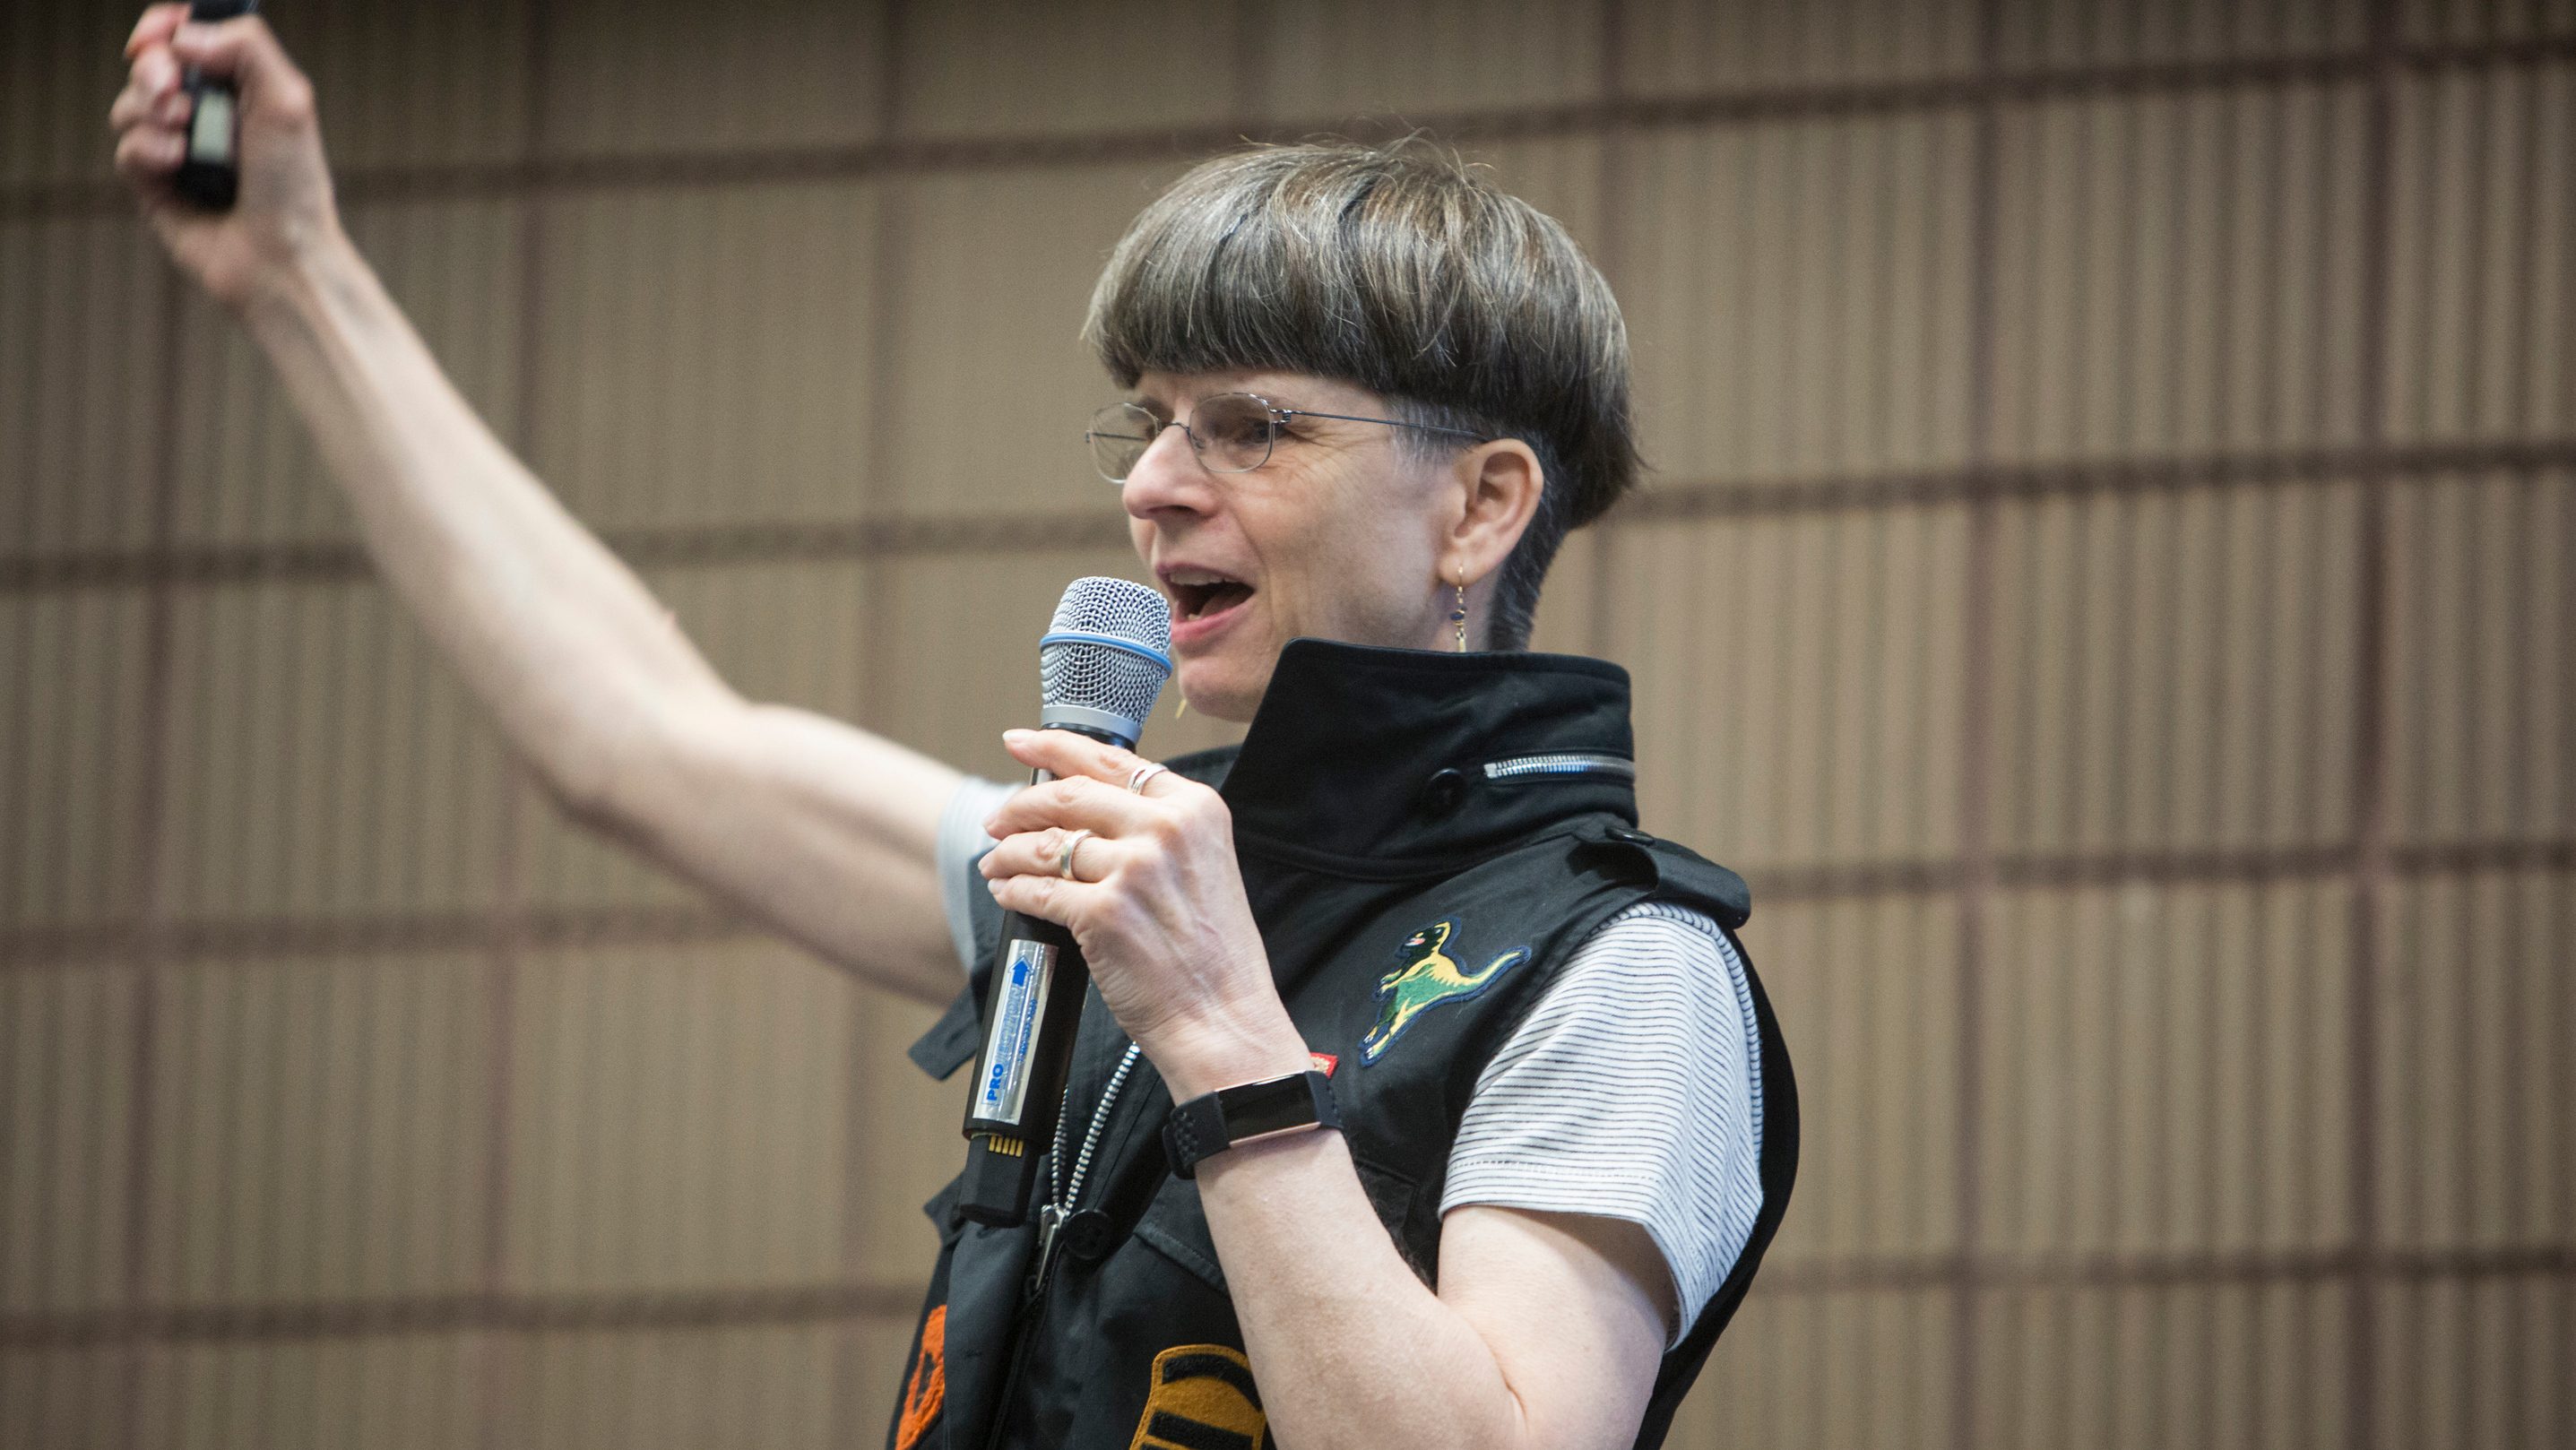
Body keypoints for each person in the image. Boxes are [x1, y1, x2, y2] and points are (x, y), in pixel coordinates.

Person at [109, 8, 1795, 1449]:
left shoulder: (1621, 969)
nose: (1148, 486)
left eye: (1251, 426)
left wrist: (1219, 1035)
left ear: (1480, 507)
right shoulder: (1115, 886)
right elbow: (634, 739)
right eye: (1145, 425)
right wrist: (298, 275)